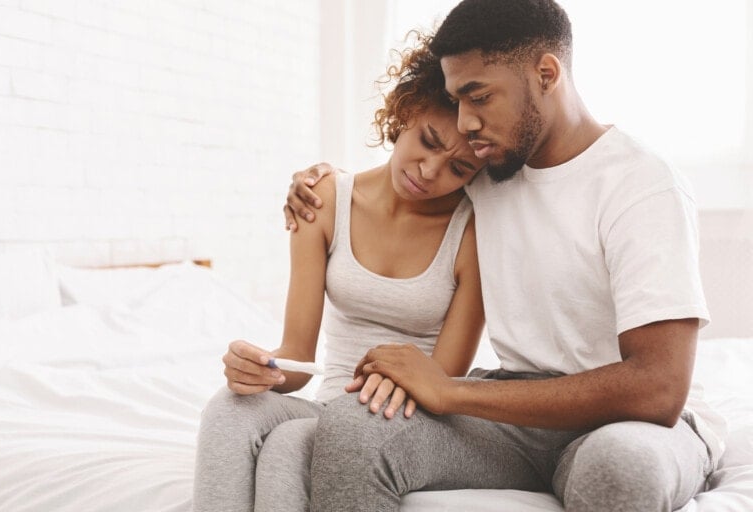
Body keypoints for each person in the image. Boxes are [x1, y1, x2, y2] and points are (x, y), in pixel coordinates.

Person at [284, 1, 725, 510]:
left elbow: (659, 387)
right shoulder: (489, 172)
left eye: (479, 97)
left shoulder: (640, 184)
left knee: (618, 468)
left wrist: (453, 392)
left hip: (627, 422)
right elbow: (399, 183)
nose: (466, 123)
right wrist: (317, 182)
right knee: (353, 424)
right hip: (516, 421)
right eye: (456, 101)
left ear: (546, 73)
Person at [192, 33, 487, 512]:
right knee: (229, 408)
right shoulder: (326, 198)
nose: (430, 171)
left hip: (403, 415)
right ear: (404, 112)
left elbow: (442, 381)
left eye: (458, 169)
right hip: (325, 402)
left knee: (290, 447)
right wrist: (258, 369)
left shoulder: (471, 233)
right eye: (427, 141)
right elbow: (296, 360)